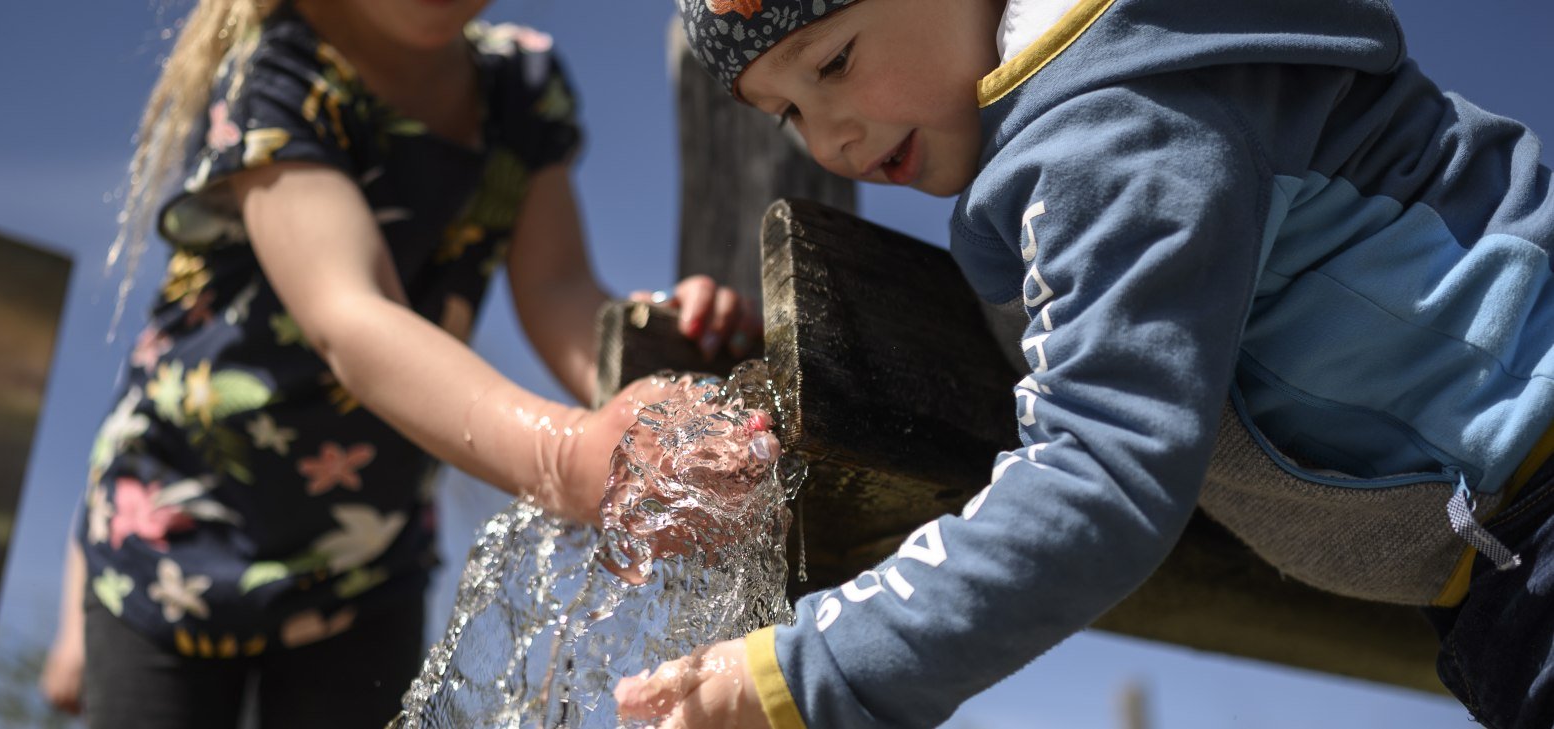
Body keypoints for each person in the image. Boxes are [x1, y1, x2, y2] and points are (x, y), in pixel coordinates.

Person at [616, 0, 1554, 727]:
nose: (830, 140)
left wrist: (807, 672)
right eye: (786, 112)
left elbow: (1101, 466)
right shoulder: (1113, 112)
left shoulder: (1111, 129)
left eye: (834, 61)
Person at [37, 0, 763, 726]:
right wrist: (569, 455)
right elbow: (349, 316)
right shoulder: (281, 71)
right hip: (175, 534)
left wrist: (657, 377)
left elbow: (557, 288)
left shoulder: (518, 86)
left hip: (366, 556)